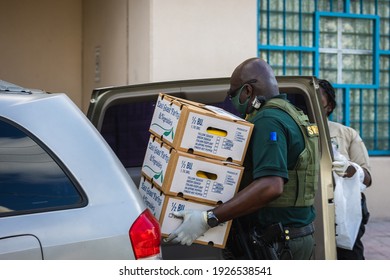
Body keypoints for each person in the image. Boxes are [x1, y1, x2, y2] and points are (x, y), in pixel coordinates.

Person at [165, 57, 320, 260]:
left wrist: (209, 218)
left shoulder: (268, 120)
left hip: (278, 243)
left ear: (247, 91)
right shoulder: (293, 114)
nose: (233, 100)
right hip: (296, 238)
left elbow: (271, 185)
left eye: (232, 94)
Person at [318, 79, 372, 260]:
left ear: (329, 106)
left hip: (344, 213)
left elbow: (368, 178)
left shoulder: (346, 134)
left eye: (319, 98)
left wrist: (352, 170)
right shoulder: (291, 132)